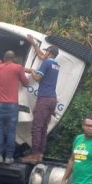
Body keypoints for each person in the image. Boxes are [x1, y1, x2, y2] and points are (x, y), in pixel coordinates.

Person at [20, 34, 60, 163]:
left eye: (46, 51)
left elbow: (37, 78)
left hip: (44, 99)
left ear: (50, 53)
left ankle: (34, 155)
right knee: (43, 128)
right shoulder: (55, 65)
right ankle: (40, 154)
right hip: (52, 99)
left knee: (36, 127)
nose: (45, 52)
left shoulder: (47, 63)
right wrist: (34, 43)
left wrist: (32, 71)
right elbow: (41, 56)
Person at [0, 50, 29, 164]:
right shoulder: (18, 68)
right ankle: (9, 157)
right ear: (13, 58)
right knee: (11, 132)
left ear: (4, 58)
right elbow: (26, 83)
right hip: (12, 106)